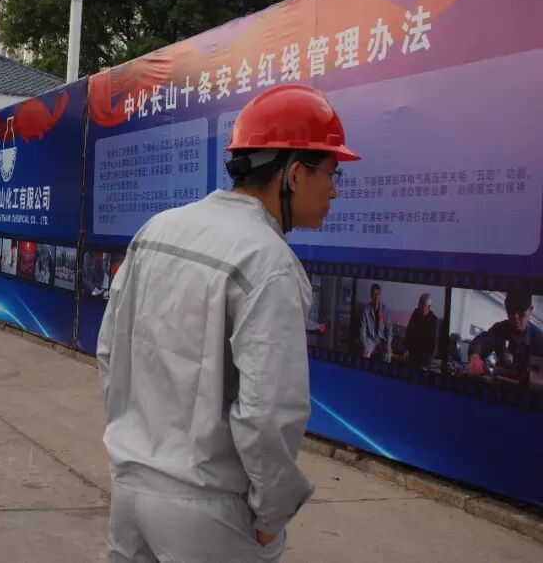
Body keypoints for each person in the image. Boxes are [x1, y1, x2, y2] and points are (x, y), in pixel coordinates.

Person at [97, 84, 359, 562]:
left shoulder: (159, 228)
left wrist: (130, 447)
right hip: (208, 508)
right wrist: (272, 514)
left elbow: (111, 352)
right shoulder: (268, 261)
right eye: (331, 171)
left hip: (131, 489)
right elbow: (269, 412)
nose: (335, 189)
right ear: (294, 174)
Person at [467, 291, 543, 386]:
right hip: (499, 385)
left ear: (530, 310)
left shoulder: (540, 339)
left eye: (521, 313)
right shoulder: (499, 329)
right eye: (511, 312)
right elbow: (482, 341)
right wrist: (475, 356)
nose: (515, 317)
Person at [404, 293, 440, 371]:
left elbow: (433, 346)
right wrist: (406, 349)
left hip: (424, 358)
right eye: (419, 303)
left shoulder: (434, 321)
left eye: (422, 304)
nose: (419, 306)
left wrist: (426, 364)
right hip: (412, 352)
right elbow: (408, 331)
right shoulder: (416, 312)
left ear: (429, 307)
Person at [359, 284, 392, 362]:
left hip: (381, 339)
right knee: (365, 354)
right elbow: (362, 330)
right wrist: (365, 346)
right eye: (374, 294)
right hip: (370, 339)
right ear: (371, 295)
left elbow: (389, 330)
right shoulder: (366, 310)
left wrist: (388, 343)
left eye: (378, 294)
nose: (376, 296)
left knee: (388, 354)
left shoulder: (385, 310)